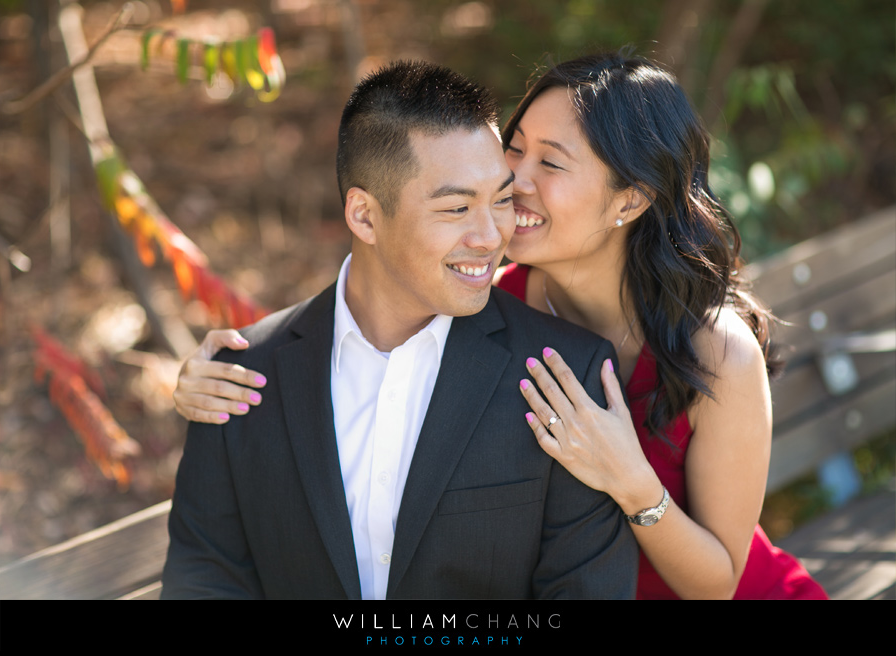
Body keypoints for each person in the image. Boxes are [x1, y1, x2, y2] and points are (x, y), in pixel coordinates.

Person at [173, 51, 827, 600]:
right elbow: (366, 312)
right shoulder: (481, 300)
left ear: (628, 198)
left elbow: (720, 581)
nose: (513, 181)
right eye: (514, 149)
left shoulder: (717, 352)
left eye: (553, 162)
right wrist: (223, 369)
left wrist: (631, 481)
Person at [161, 60, 637, 600]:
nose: (490, 235)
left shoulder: (565, 376)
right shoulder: (238, 380)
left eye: (501, 200)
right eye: (457, 207)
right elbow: (204, 580)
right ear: (364, 216)